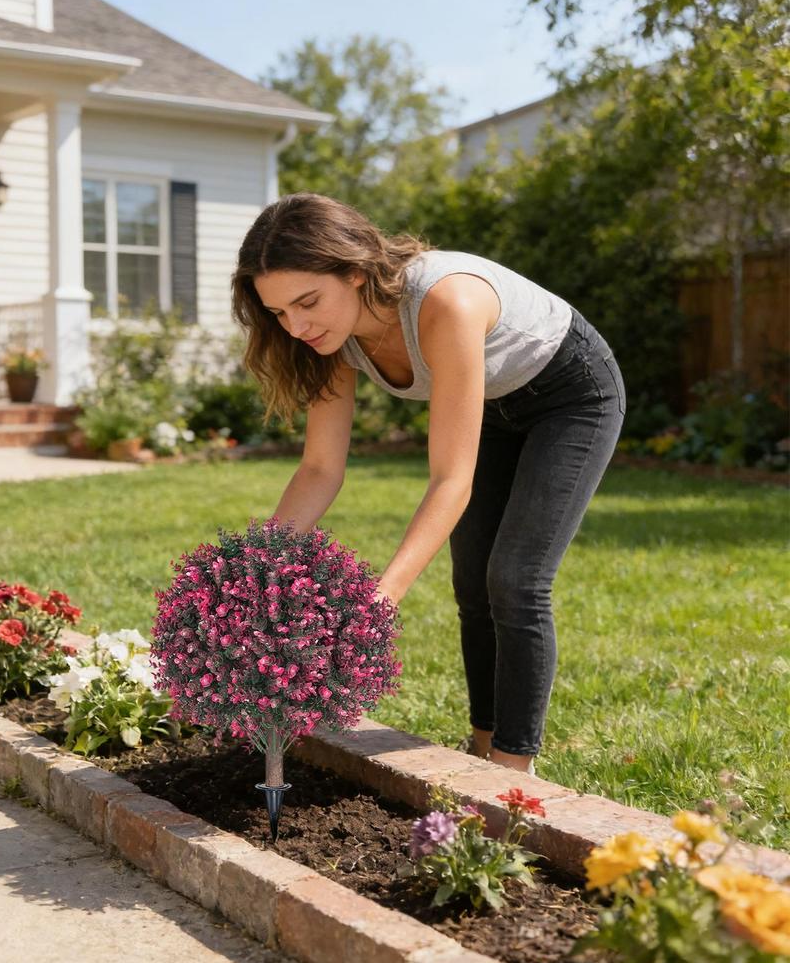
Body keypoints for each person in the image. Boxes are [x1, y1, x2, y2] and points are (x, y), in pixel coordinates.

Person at [231, 192, 626, 775]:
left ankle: (512, 779)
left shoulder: (446, 302)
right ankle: (483, 746)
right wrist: (253, 574)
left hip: (571, 397)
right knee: (472, 582)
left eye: (307, 302)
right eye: (279, 313)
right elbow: (320, 469)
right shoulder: (328, 336)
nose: (296, 326)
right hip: (493, 404)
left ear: (356, 271)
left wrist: (379, 600)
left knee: (514, 578)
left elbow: (450, 479)